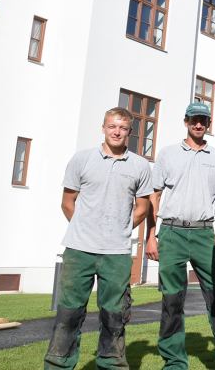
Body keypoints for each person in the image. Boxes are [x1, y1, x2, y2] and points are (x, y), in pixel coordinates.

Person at [43, 107, 153, 369]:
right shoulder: (81, 160)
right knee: (69, 314)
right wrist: (86, 228)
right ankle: (58, 365)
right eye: (112, 126)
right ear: (103, 128)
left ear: (130, 131)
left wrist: (121, 229)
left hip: (116, 253)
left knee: (114, 315)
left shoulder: (140, 166)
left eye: (123, 128)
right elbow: (67, 203)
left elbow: (142, 207)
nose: (117, 132)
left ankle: (112, 364)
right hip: (79, 249)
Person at [146, 102, 215, 369]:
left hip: (204, 234)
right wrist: (151, 236)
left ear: (209, 124)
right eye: (193, 119)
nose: (198, 124)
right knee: (172, 302)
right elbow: (154, 196)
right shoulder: (167, 154)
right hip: (172, 232)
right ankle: (174, 362)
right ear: (185, 121)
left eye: (203, 120)